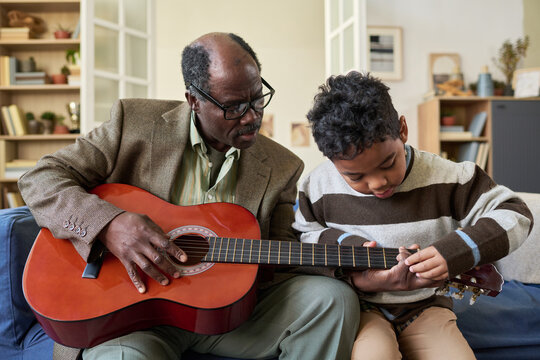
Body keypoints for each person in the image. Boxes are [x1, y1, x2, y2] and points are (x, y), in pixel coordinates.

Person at [18, 32, 360, 360]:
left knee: (333, 299)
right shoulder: (133, 123)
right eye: (234, 107)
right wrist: (109, 224)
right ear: (194, 100)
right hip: (130, 318)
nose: (253, 116)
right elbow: (41, 178)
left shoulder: (283, 166)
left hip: (230, 318)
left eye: (258, 98)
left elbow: (282, 257)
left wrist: (349, 271)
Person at [292, 71, 533, 360]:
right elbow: (303, 237)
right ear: (331, 160)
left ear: (402, 130)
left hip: (426, 307)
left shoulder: (450, 177)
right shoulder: (315, 185)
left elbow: (515, 214)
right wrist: (345, 245)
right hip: (360, 307)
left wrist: (454, 251)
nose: (377, 183)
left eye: (388, 163)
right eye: (355, 176)